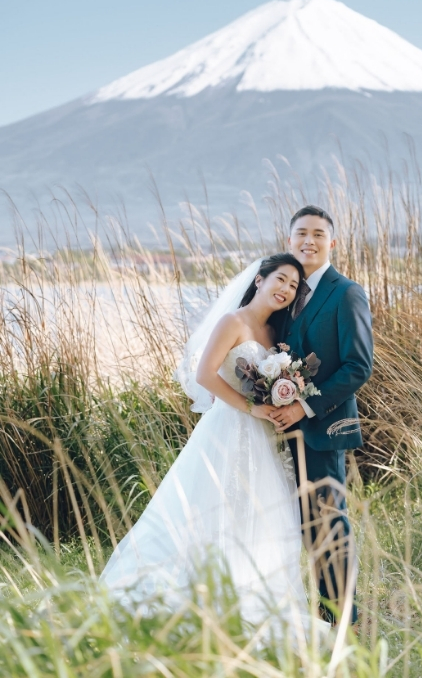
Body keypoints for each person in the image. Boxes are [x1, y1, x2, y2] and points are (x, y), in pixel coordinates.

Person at [100, 254, 314, 635]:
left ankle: (247, 595)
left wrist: (278, 400)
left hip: (262, 436)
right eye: (280, 279)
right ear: (260, 280)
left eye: (293, 286)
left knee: (258, 510)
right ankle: (190, 596)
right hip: (230, 427)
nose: (285, 289)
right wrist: (253, 407)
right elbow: (204, 375)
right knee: (210, 505)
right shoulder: (233, 321)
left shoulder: (273, 332)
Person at [264, 205, 373, 626]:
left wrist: (302, 406)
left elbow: (358, 366)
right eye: (300, 234)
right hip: (281, 429)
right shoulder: (285, 291)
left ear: (332, 242)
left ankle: (340, 618)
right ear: (289, 239)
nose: (308, 241)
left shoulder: (346, 292)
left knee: (326, 521)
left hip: (324, 427)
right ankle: (316, 614)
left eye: (317, 234)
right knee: (302, 524)